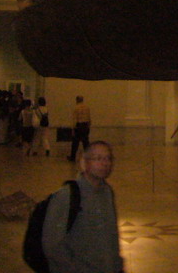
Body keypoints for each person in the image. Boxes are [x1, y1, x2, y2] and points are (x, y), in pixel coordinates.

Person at [43, 140, 124, 273]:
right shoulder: (67, 195)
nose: (105, 163)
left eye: (108, 158)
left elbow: (111, 235)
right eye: (98, 158)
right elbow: (52, 244)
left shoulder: (107, 192)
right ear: (84, 163)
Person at [68, 96, 91, 162]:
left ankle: (73, 157)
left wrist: (73, 129)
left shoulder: (76, 108)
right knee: (86, 142)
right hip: (85, 126)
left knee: (75, 142)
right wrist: (88, 126)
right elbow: (89, 118)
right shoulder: (87, 107)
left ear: (77, 100)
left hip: (78, 126)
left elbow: (75, 119)